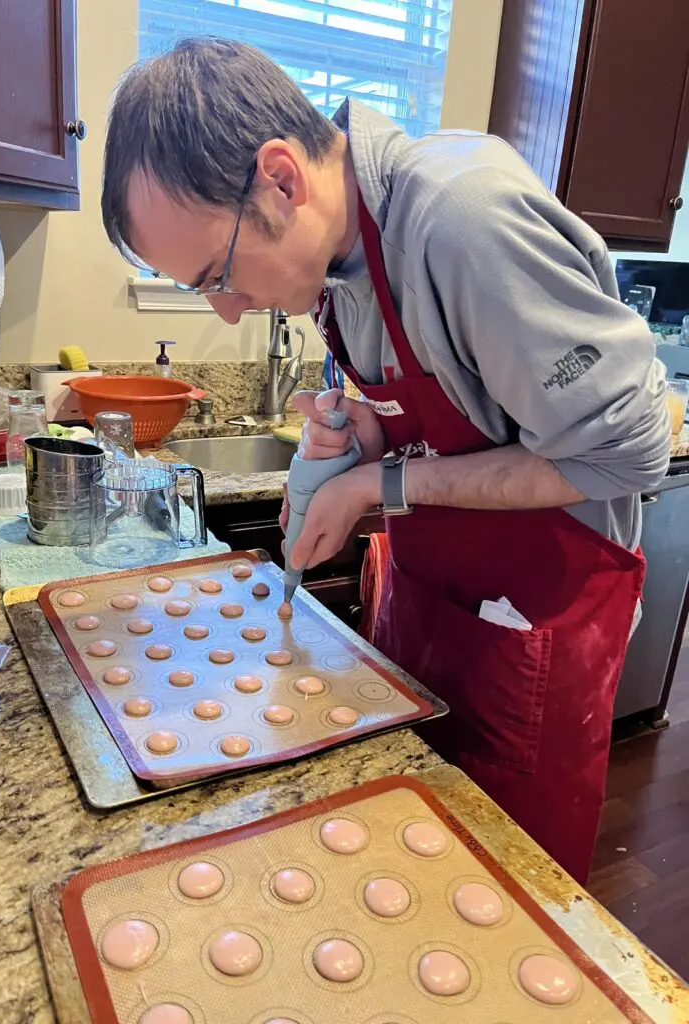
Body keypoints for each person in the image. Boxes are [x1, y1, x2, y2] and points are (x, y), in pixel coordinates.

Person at [101, 37, 671, 883]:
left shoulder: (461, 222)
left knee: (509, 896)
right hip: (434, 604)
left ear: (282, 178)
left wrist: (384, 482)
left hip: (535, 623)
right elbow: (466, 410)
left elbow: (628, 452)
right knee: (410, 865)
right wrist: (366, 435)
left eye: (216, 274)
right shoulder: (336, 259)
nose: (224, 313)